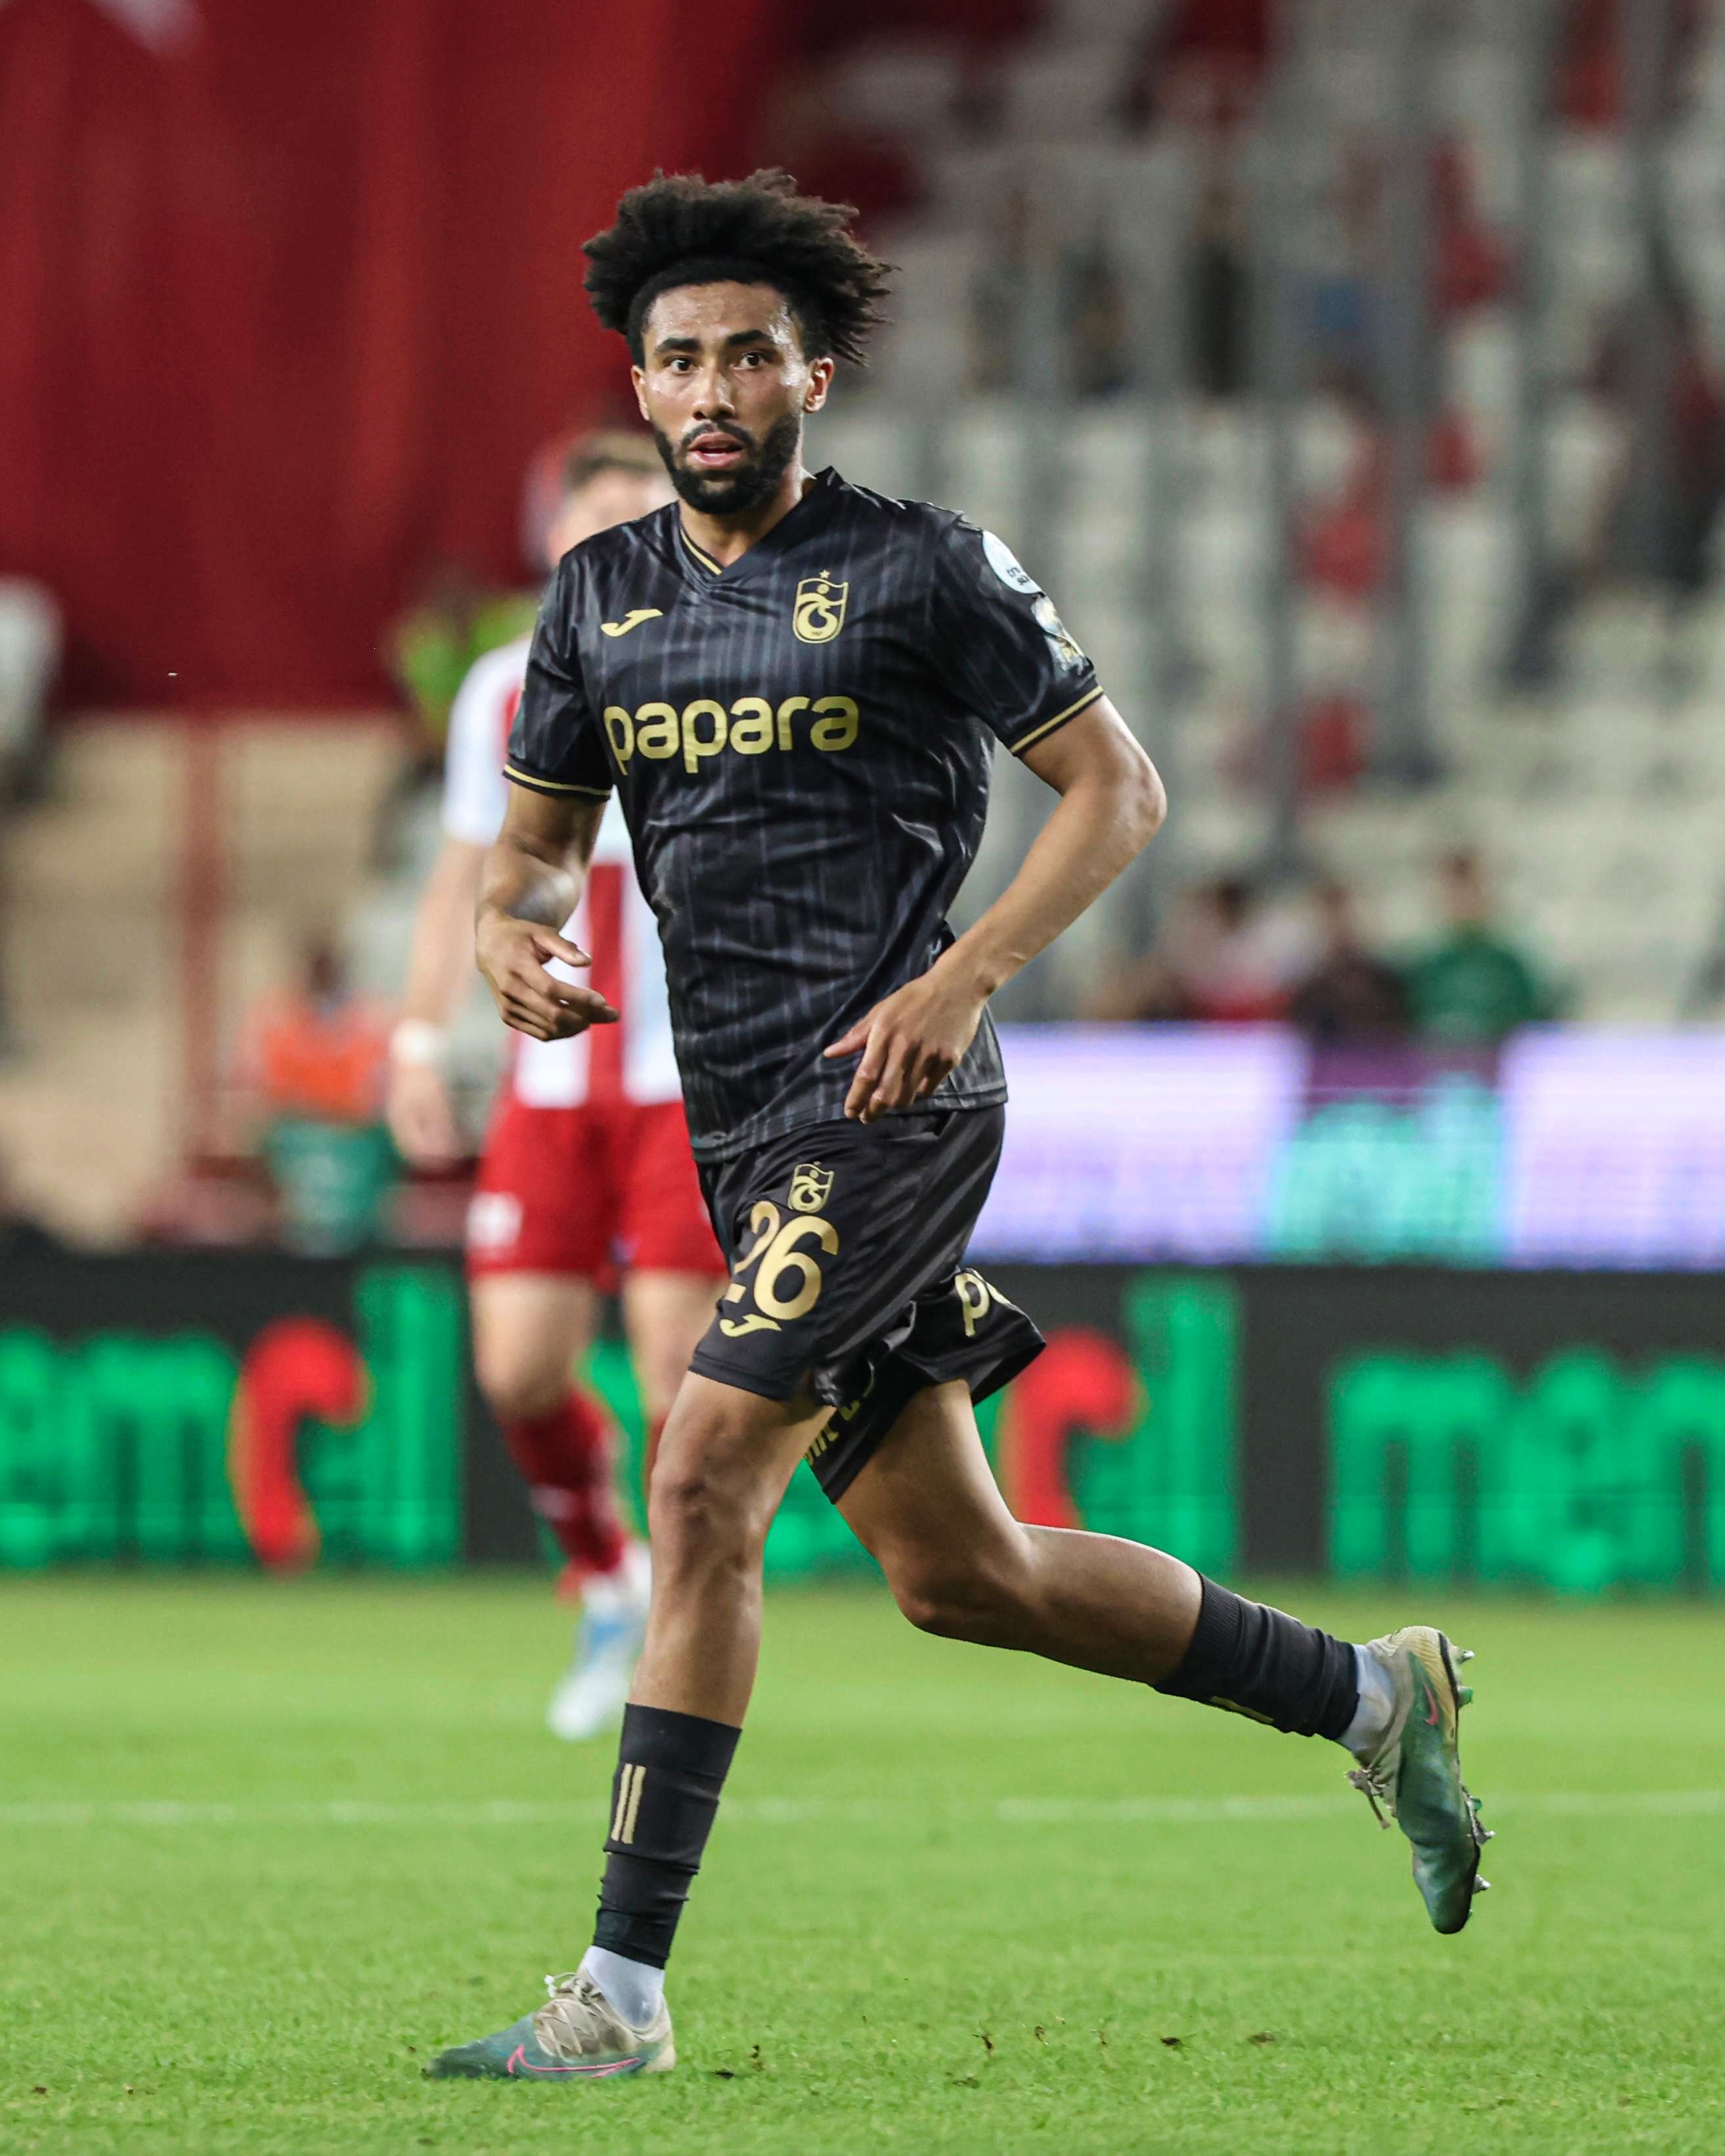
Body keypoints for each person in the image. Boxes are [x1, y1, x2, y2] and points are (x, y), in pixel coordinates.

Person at [429, 169, 1489, 2085]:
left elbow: (1118, 789)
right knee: (958, 1572)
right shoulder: (595, 601)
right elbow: (528, 853)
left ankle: (618, 1999)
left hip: (891, 1101)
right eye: (678, 359)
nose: (711, 388)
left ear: (812, 375)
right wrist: (511, 937)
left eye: (748, 353)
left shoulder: (923, 567)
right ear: (642, 386)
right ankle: (1367, 1697)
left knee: (699, 1481)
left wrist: (967, 974)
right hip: (744, 1134)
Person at [387, 431, 726, 1742]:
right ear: (551, 538)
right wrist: (418, 1040)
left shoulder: (729, 661)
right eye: (594, 516)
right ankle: (604, 1574)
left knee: (674, 1377)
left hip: (682, 1082)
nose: (615, 538)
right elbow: (463, 873)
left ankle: (683, 1639)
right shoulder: (502, 687)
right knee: (520, 1368)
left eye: (640, 514)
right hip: (548, 1085)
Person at [1403, 850, 1553, 1047]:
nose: (1465, 902)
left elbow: (1531, 1029)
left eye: (1473, 891)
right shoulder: (1427, 968)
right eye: (1456, 893)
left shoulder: (1509, 967)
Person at [1291, 880, 1410, 1044]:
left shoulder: (1385, 980)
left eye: (1344, 915)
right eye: (1329, 918)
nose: (1339, 926)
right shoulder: (1309, 987)